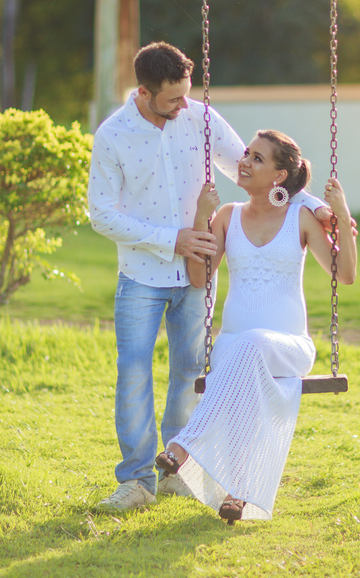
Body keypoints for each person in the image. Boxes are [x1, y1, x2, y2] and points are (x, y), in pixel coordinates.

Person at [88, 42, 333, 512]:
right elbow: (101, 214)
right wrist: (173, 238)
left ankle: (180, 470)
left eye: (186, 93)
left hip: (198, 274)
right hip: (142, 274)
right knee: (134, 375)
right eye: (173, 98)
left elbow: (259, 167)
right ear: (143, 91)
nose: (185, 105)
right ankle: (138, 481)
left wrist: (312, 204)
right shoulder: (113, 136)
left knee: (189, 373)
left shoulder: (199, 117)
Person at [154, 129, 357, 524]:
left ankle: (184, 446)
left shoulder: (298, 218)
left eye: (258, 158)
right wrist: (201, 214)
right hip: (233, 348)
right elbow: (200, 278)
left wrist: (342, 211)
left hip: (289, 348)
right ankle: (238, 494)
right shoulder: (227, 215)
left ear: (279, 176)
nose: (244, 162)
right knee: (244, 357)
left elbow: (344, 274)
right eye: (247, 153)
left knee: (253, 345)